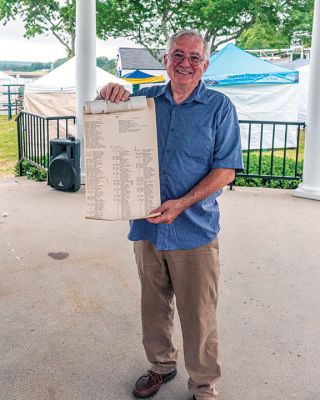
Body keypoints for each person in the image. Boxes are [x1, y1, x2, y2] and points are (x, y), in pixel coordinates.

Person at [98, 30, 243, 400]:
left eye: (194, 57)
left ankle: (204, 384)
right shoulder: (141, 103)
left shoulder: (219, 107)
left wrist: (182, 202)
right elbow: (101, 127)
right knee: (154, 306)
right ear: (165, 60)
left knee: (199, 317)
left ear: (205, 65)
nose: (185, 63)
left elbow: (226, 169)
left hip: (195, 230)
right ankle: (161, 366)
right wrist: (106, 97)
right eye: (178, 54)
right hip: (146, 227)